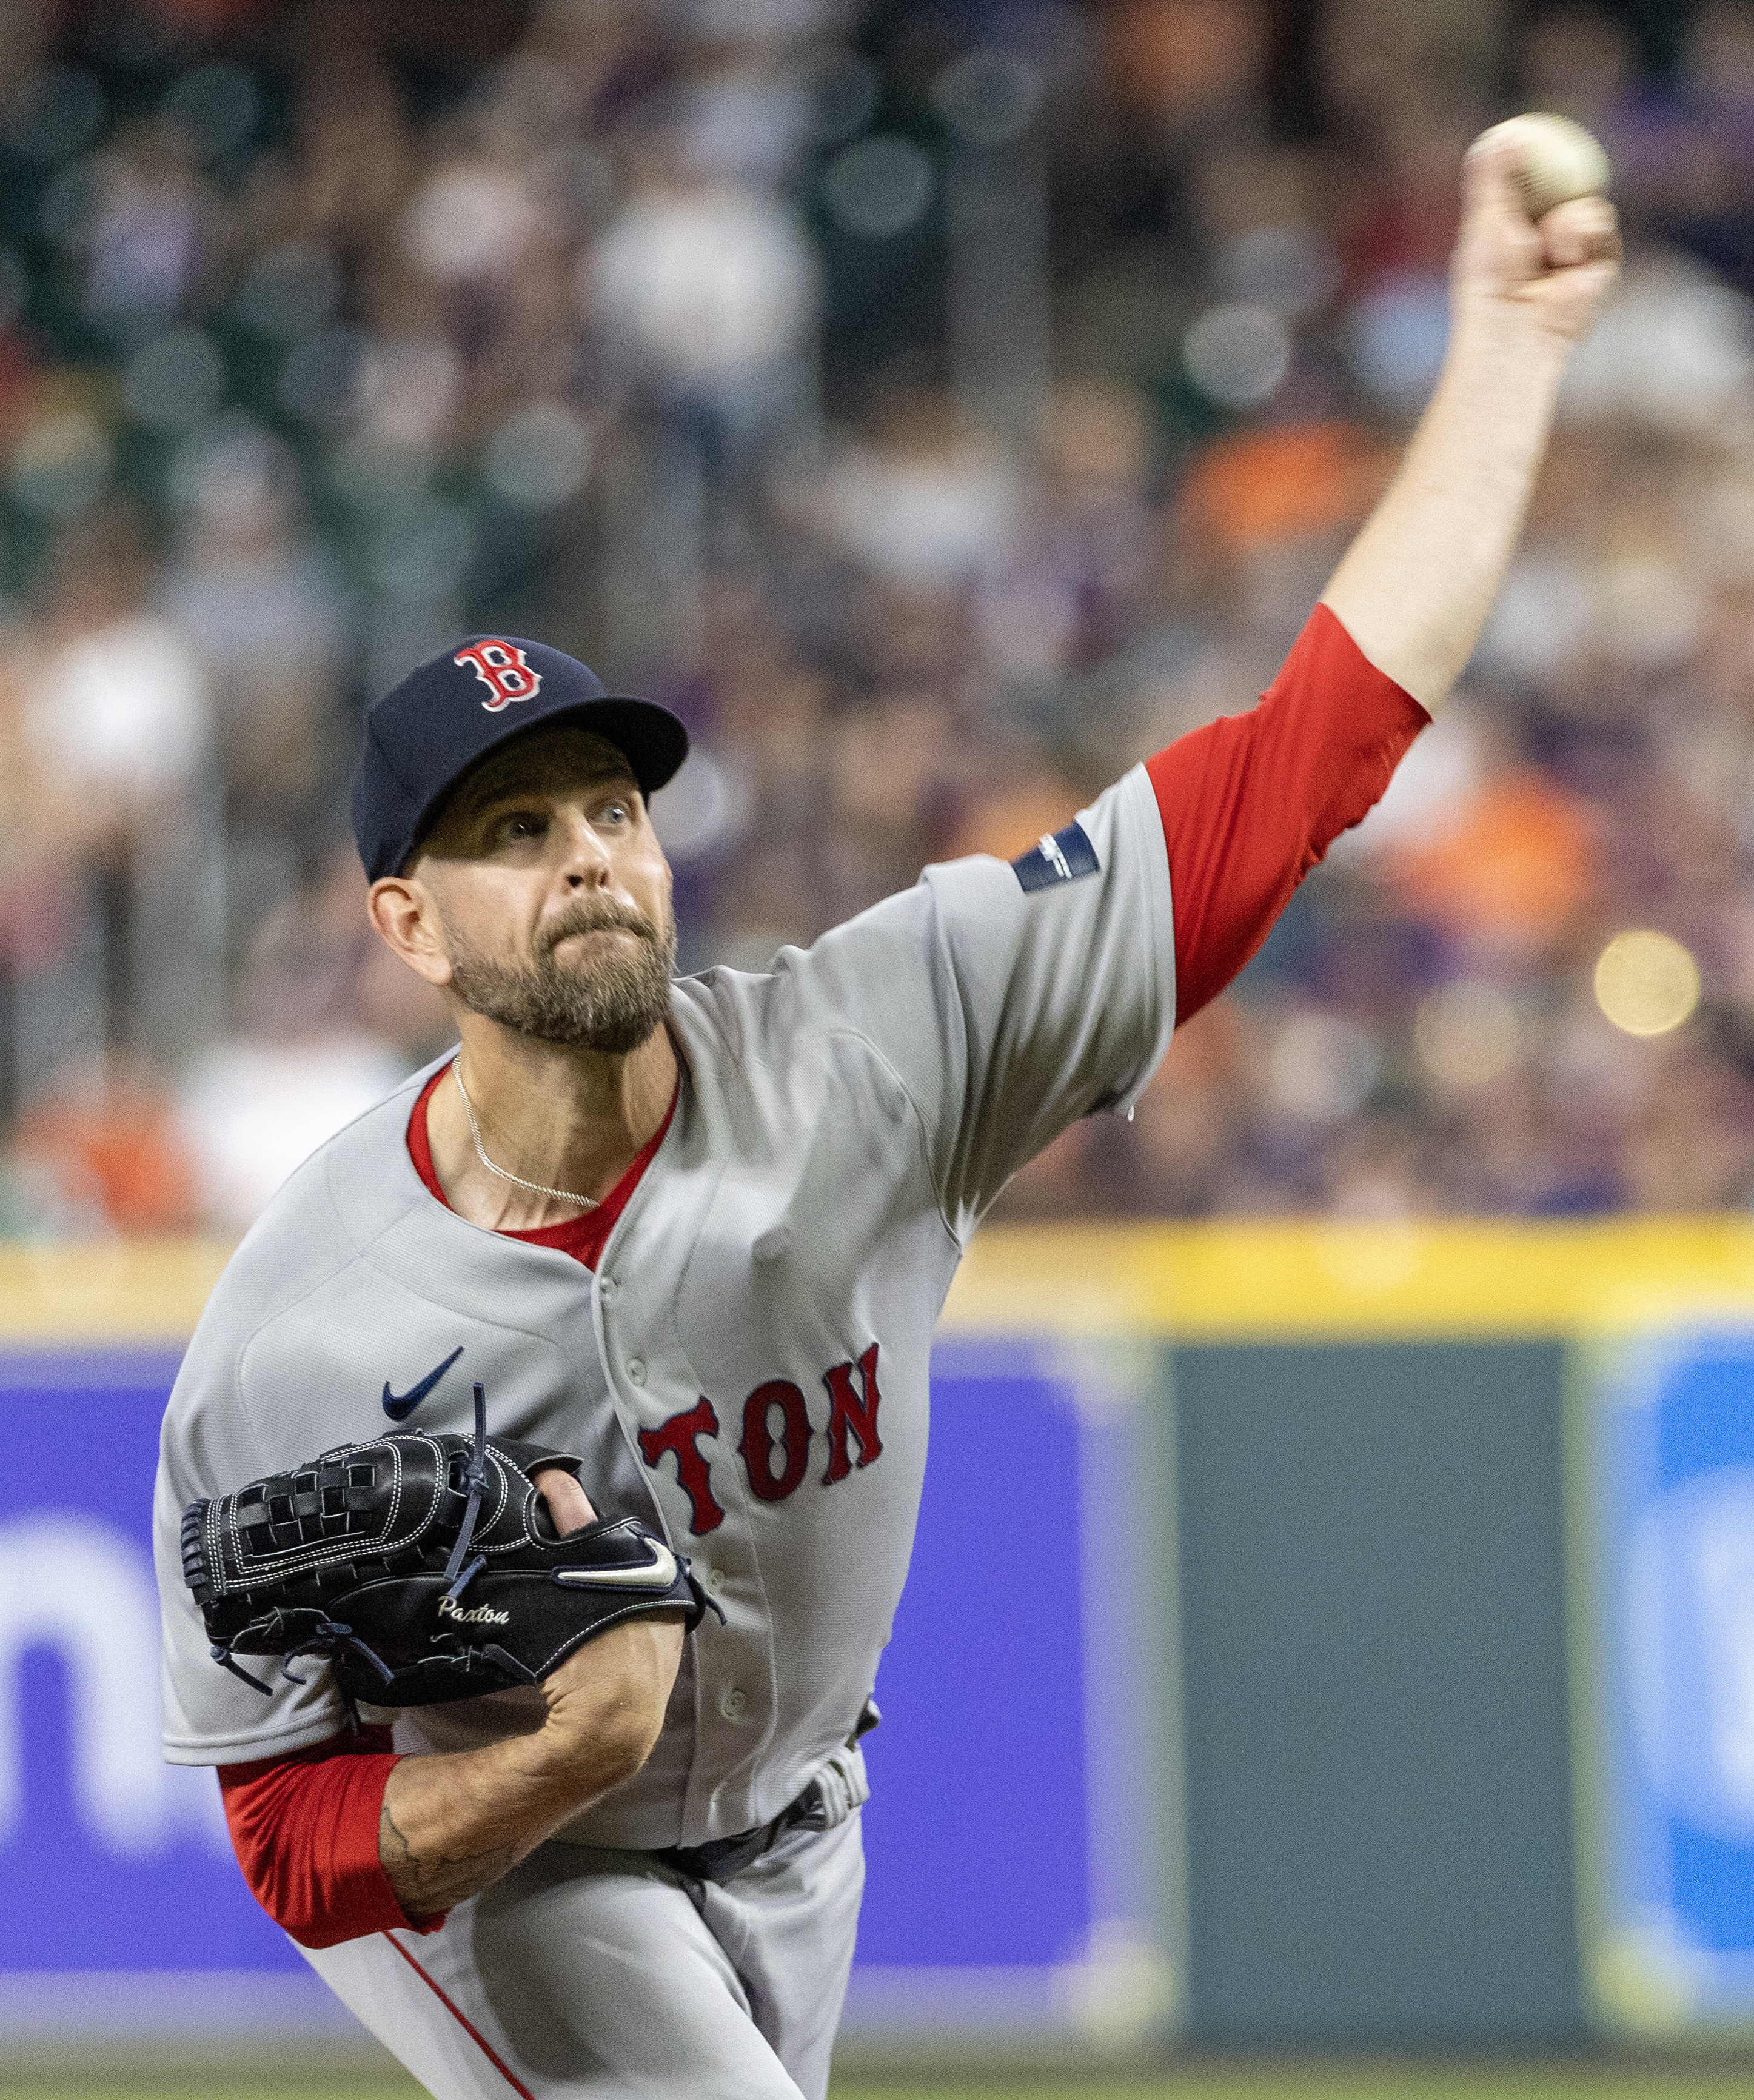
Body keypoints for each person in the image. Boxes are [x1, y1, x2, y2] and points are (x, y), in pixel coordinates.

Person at [153, 147, 1618, 2099]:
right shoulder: (299, 1329)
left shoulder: (880, 1045)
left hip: (801, 1836)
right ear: (405, 925)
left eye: (611, 807)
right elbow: (281, 1842)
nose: (590, 856)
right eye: (513, 831)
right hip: (514, 1874)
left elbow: (1310, 752)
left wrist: (1510, 346)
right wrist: (553, 1760)